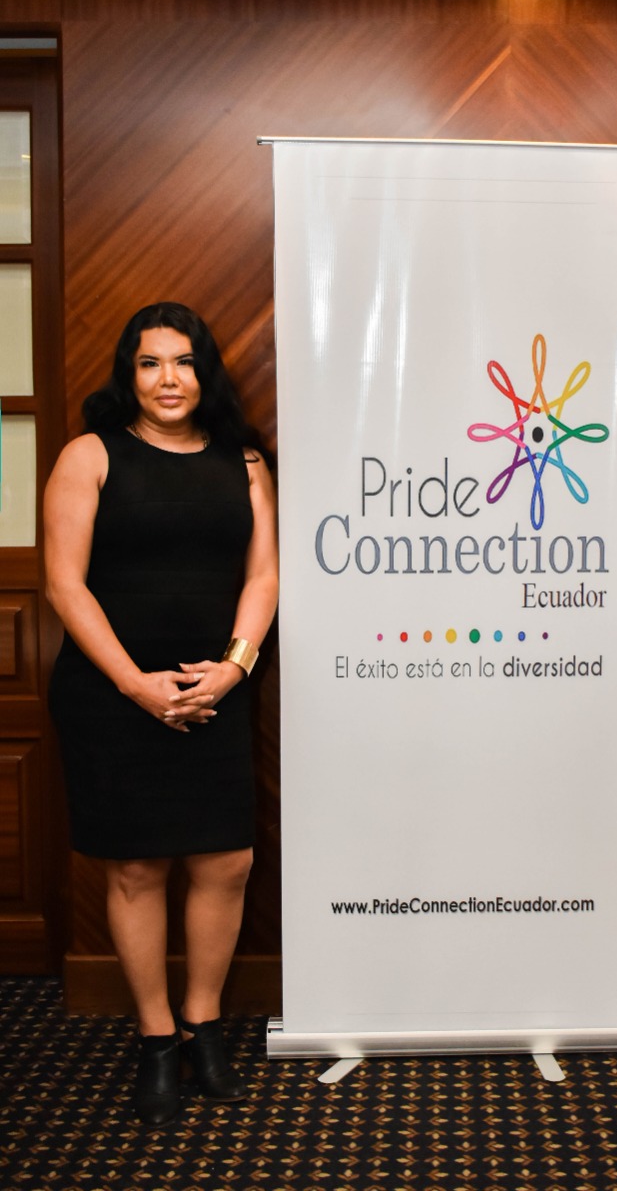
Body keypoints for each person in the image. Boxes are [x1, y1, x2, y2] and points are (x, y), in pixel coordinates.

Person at [45, 302, 278, 1126]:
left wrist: (234, 667)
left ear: (203, 371)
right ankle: (154, 1036)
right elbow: (64, 584)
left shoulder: (244, 462)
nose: (168, 379)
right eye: (150, 363)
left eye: (182, 361)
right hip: (113, 695)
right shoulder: (89, 456)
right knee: (137, 870)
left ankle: (202, 1024)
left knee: (225, 862)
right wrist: (135, 685)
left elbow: (263, 575)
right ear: (129, 373)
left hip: (216, 691)